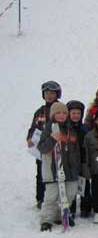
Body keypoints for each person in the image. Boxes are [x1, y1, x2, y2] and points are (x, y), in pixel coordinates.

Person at [38, 102, 81, 231]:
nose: (61, 115)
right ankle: (46, 219)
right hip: (53, 169)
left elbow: (76, 150)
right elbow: (42, 148)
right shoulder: (48, 129)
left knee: (70, 193)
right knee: (52, 196)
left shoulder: (70, 130)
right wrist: (52, 138)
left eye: (63, 113)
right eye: (58, 113)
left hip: (69, 169)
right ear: (53, 115)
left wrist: (76, 167)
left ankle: (62, 214)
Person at [28, 81, 61, 209]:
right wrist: (30, 138)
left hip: (57, 147)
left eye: (52, 93)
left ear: (57, 94)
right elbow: (33, 127)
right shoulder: (40, 112)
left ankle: (57, 197)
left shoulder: (60, 108)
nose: (49, 95)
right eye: (47, 93)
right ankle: (41, 198)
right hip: (42, 149)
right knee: (41, 173)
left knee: (57, 172)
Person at [66, 100, 92, 221]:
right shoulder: (66, 128)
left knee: (85, 185)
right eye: (73, 113)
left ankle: (85, 208)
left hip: (83, 160)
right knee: (71, 185)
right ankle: (70, 208)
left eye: (78, 113)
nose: (75, 115)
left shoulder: (85, 128)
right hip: (70, 162)